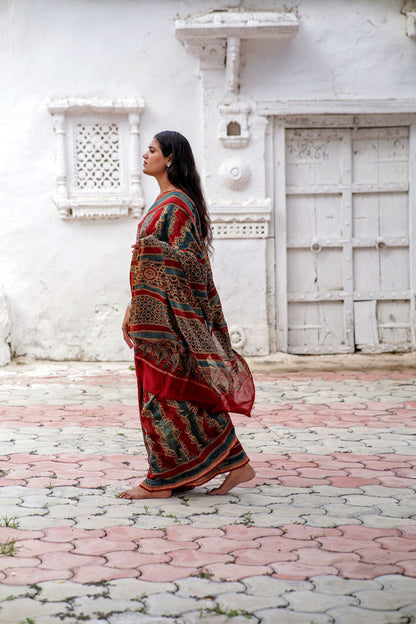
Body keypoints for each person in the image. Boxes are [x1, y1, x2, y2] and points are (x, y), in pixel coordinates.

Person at [119, 130, 255, 499]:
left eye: (152, 150)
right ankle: (235, 463)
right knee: (172, 395)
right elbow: (152, 259)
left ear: (170, 160)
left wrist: (151, 251)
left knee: (165, 394)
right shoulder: (163, 201)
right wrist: (133, 308)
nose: (144, 155)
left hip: (171, 320)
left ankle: (162, 480)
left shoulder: (178, 205)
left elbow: (192, 265)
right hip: (152, 317)